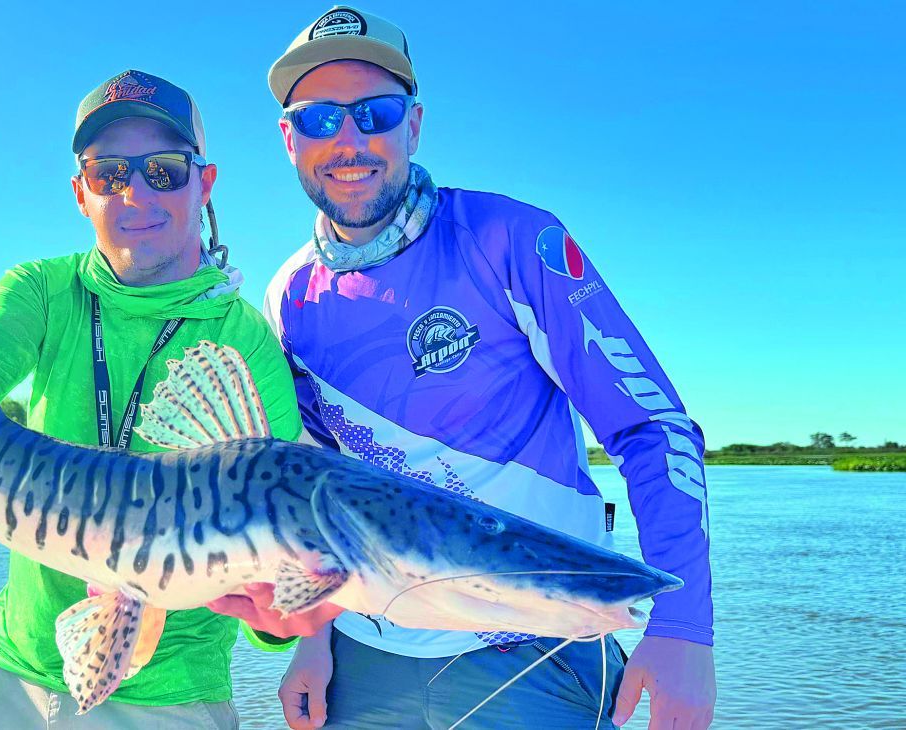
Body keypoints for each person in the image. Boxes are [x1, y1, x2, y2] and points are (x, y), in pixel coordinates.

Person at [225, 6, 717, 729]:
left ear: (414, 126)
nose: (349, 141)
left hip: (537, 655)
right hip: (363, 661)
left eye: (376, 113)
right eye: (320, 119)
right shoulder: (287, 295)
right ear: (289, 139)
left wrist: (683, 627)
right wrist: (314, 641)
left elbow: (653, 429)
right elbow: (313, 490)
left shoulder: (510, 239)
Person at [0, 69, 303, 729]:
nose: (135, 193)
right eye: (108, 173)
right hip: (7, 671)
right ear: (80, 193)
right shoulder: (44, 289)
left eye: (163, 170)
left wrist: (280, 622)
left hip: (174, 696)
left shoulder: (247, 342)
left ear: (203, 182)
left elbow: (279, 591)